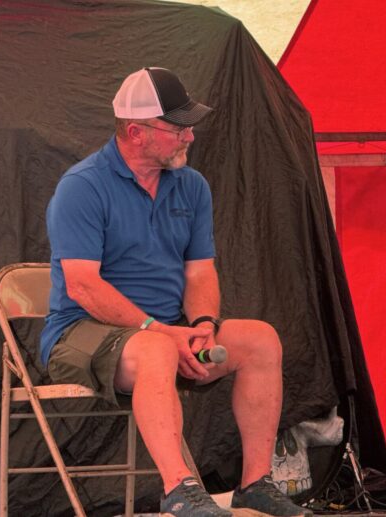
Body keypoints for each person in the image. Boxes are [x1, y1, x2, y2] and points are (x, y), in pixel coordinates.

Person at [41, 67, 312, 517]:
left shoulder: (192, 186)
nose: (190, 136)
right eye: (178, 128)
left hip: (166, 330)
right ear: (136, 132)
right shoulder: (82, 186)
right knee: (156, 350)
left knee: (261, 339)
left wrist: (203, 324)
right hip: (83, 331)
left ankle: (255, 485)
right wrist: (160, 331)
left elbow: (200, 272)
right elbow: (82, 286)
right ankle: (179, 490)